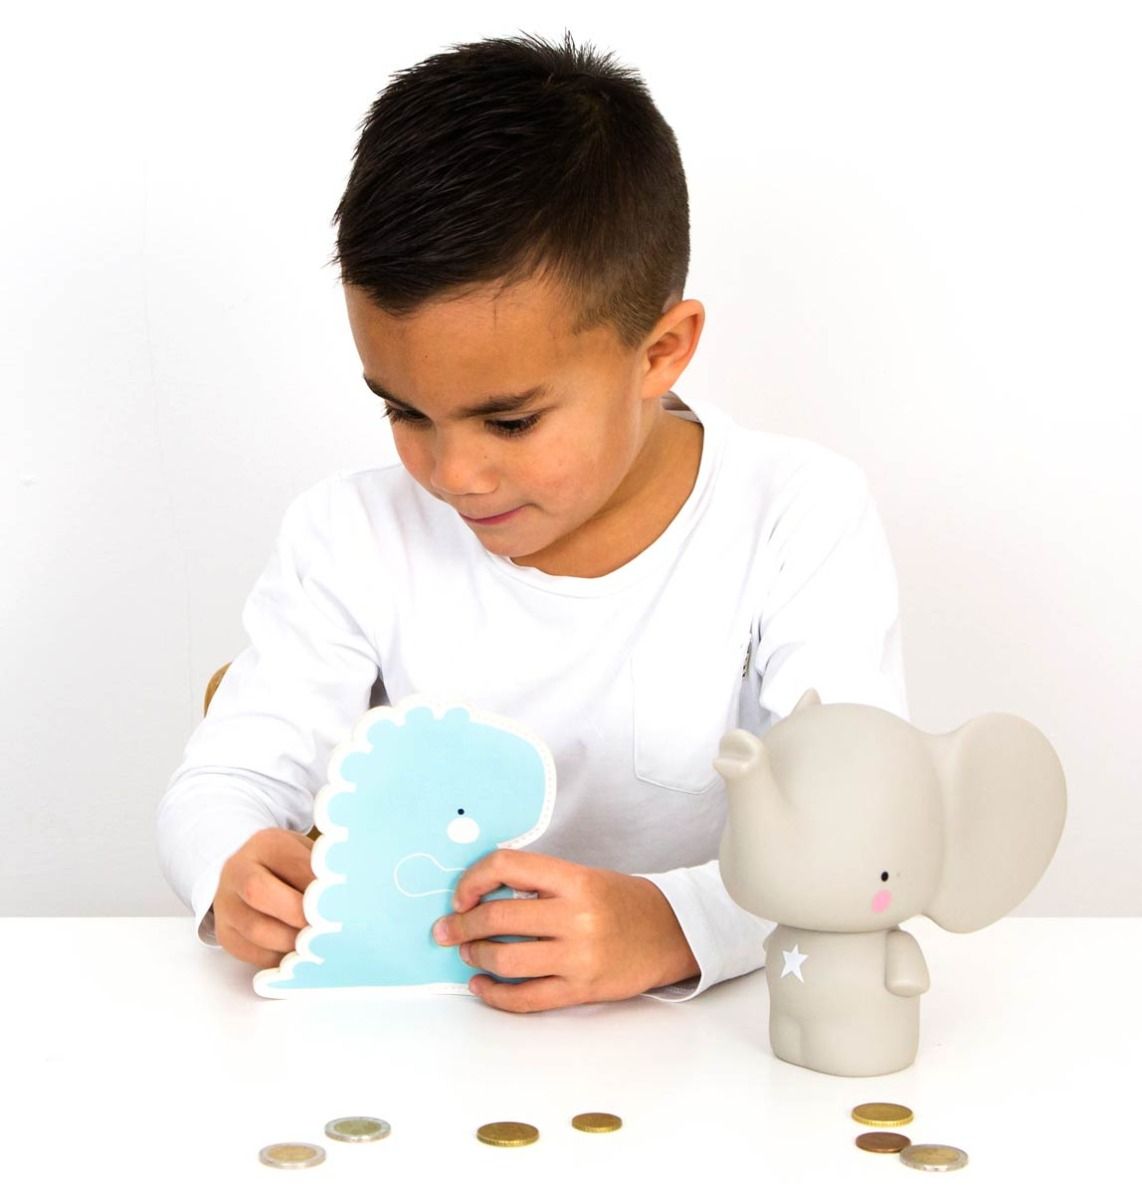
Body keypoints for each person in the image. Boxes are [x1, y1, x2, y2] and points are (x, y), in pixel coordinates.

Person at [156, 30, 908, 1014]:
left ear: (661, 352)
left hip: (717, 1057)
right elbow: (224, 779)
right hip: (419, 1048)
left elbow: (864, 834)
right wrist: (232, 867)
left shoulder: (795, 518)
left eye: (509, 422)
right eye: (403, 411)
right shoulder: (349, 534)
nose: (453, 474)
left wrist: (675, 925)